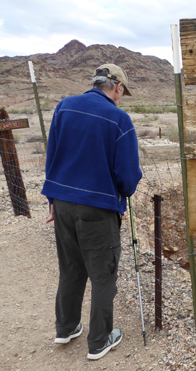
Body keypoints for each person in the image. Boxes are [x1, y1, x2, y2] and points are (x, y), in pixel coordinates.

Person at [41, 64, 142, 360]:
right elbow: (128, 176)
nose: (122, 98)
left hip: (61, 203)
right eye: (123, 93)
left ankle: (66, 327)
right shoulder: (119, 119)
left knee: (71, 267)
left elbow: (52, 155)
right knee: (103, 274)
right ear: (118, 88)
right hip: (98, 209)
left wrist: (51, 196)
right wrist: (126, 189)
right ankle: (99, 340)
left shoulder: (64, 107)